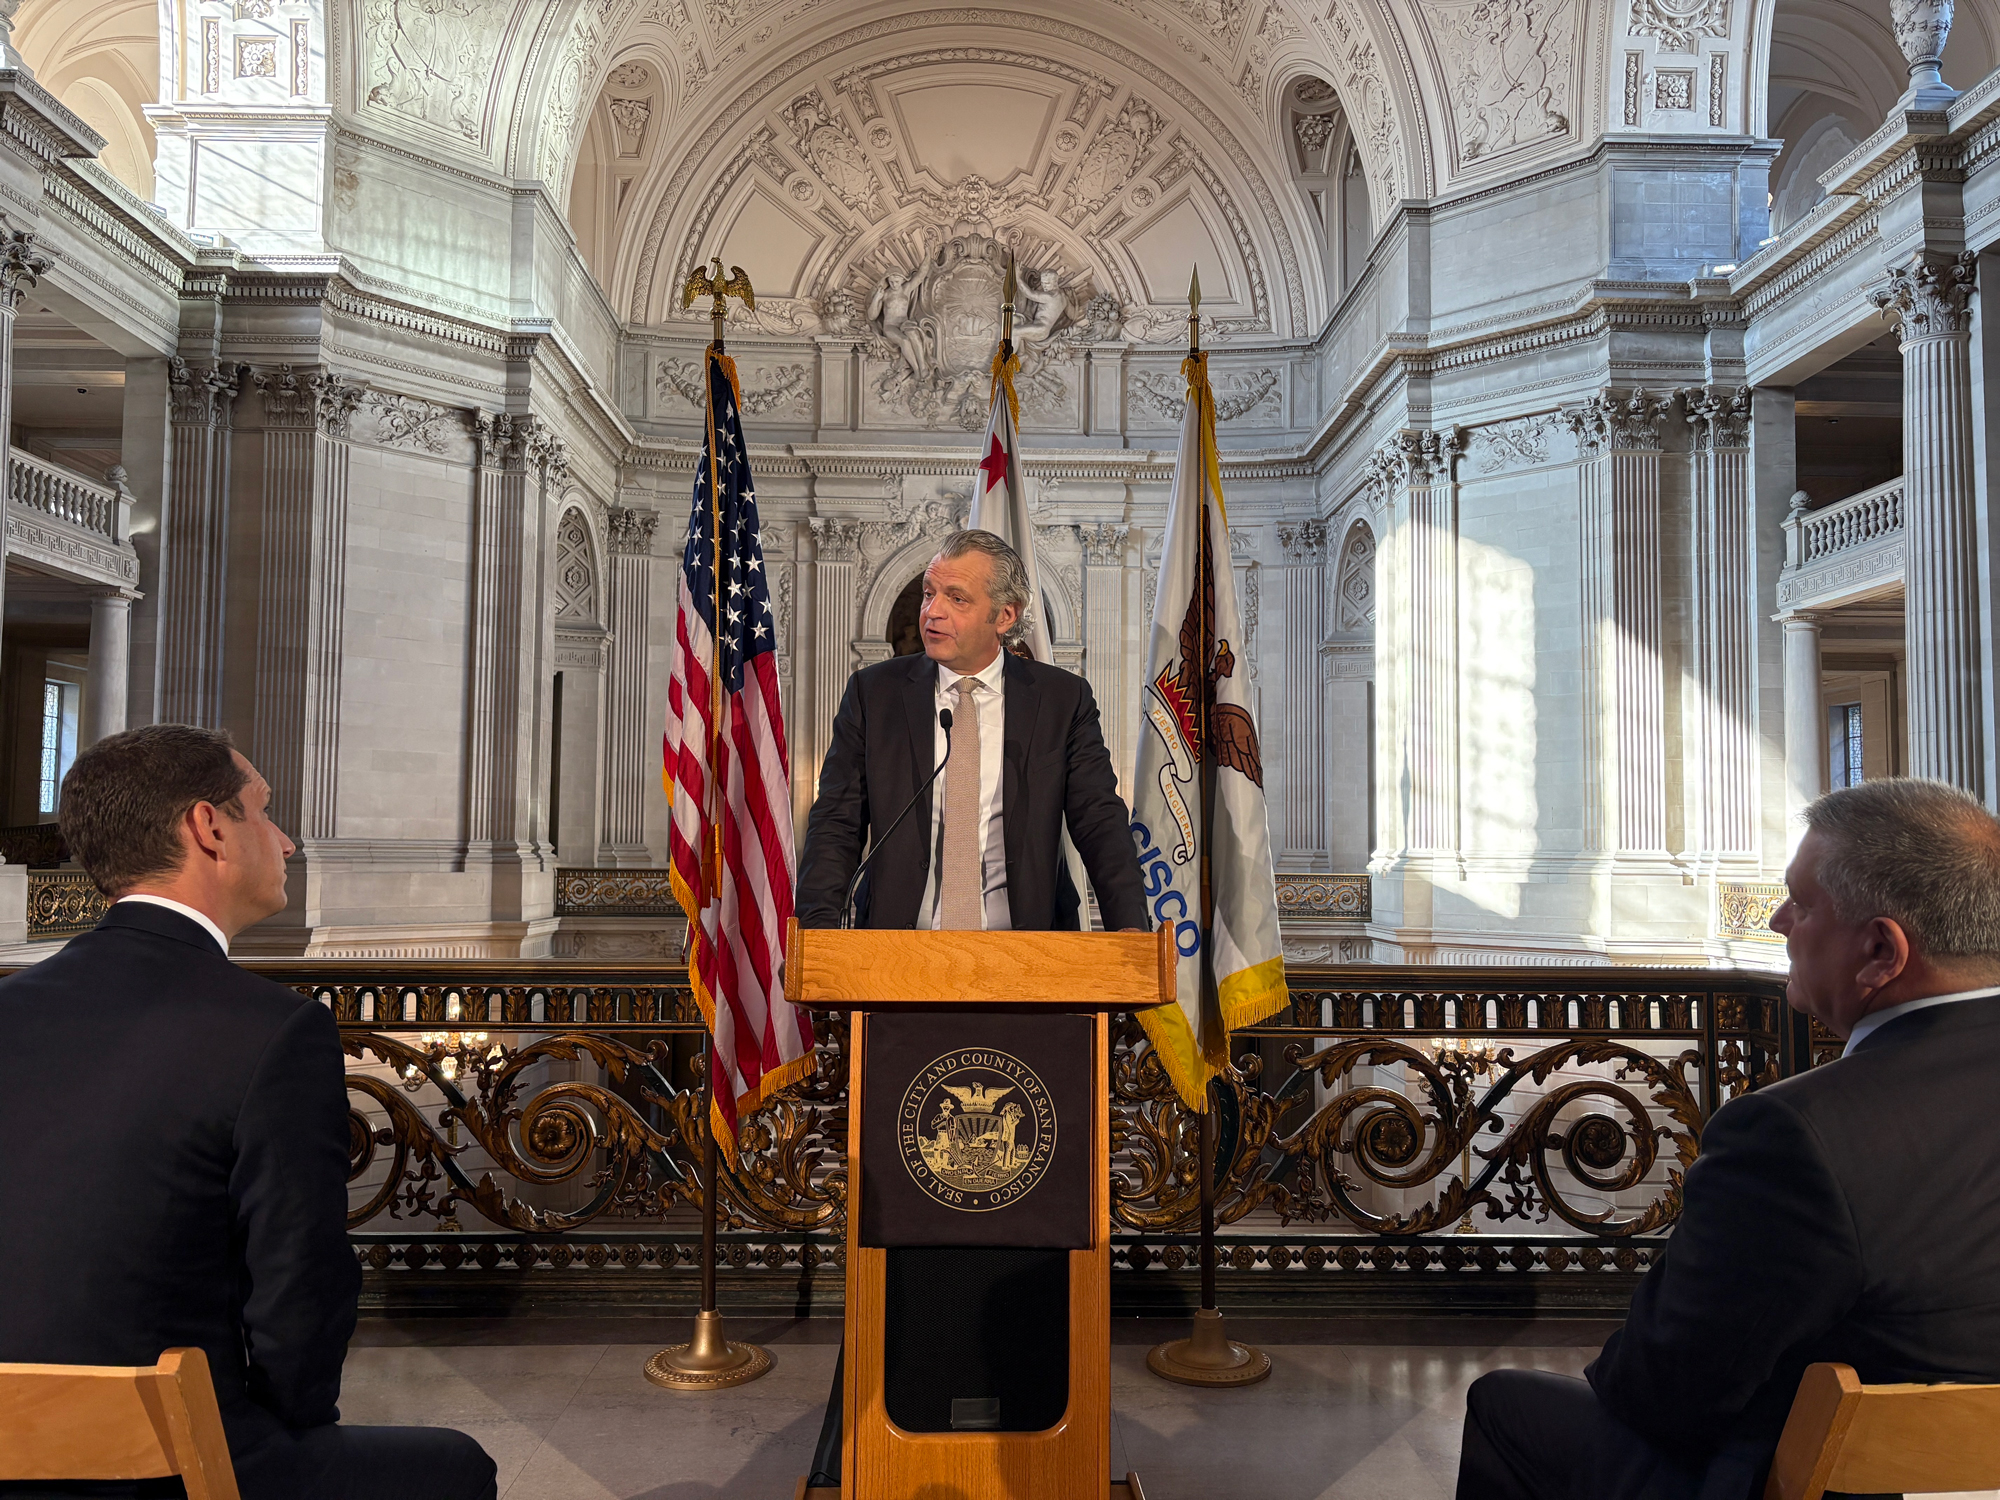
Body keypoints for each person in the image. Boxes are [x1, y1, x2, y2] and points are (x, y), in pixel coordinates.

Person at [1457, 777, 2000, 1500]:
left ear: (1879, 950)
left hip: (1858, 1482)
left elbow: (1660, 1393)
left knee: (1508, 1406)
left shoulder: (1795, 1136)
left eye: (1802, 904)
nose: (1777, 920)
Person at [0, 725, 496, 1500]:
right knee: (458, 1469)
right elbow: (299, 1299)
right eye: (266, 811)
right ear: (210, 828)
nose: (289, 842)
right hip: (160, 1464)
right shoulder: (274, 1031)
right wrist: (288, 1425)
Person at [796, 529, 1147, 1485]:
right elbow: (838, 819)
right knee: (909, 1205)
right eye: (926, 594)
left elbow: (1100, 826)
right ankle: (888, 1425)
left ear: (1007, 614)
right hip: (899, 985)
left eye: (953, 595)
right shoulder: (878, 695)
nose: (930, 610)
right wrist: (819, 933)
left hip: (1031, 982)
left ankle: (1038, 1425)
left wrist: (1132, 948)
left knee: (1024, 1196)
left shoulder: (1060, 702)